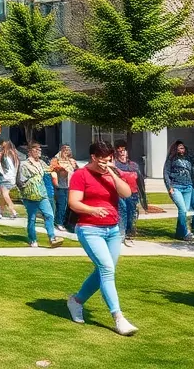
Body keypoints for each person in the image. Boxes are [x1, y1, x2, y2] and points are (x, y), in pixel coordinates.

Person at [66, 140, 137, 336]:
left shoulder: (111, 173)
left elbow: (127, 193)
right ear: (93, 157)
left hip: (112, 230)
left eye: (109, 160)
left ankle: (76, 301)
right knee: (106, 269)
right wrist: (92, 209)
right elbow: (74, 203)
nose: (105, 163)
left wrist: (112, 173)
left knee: (104, 270)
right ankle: (118, 318)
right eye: (102, 160)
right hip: (89, 229)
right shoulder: (81, 175)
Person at [18, 143, 62, 249]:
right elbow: (20, 180)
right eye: (36, 149)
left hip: (42, 193)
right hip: (30, 195)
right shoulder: (24, 164)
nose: (39, 151)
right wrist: (27, 189)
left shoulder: (41, 163)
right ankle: (32, 239)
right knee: (32, 218)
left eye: (39, 150)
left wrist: (56, 167)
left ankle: (52, 237)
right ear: (30, 151)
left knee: (49, 215)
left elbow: (49, 170)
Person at [164, 140, 194, 242]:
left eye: (183, 148)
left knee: (184, 211)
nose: (182, 150)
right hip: (176, 187)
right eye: (179, 148)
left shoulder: (188, 158)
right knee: (183, 210)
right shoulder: (171, 159)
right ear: (175, 149)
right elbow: (166, 173)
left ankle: (179, 233)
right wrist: (169, 187)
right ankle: (185, 233)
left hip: (188, 187)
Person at [112, 143, 142, 246]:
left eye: (124, 150)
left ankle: (129, 233)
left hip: (133, 193)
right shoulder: (114, 165)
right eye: (120, 151)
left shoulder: (133, 165)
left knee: (131, 214)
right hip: (120, 193)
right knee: (122, 212)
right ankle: (121, 235)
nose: (122, 153)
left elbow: (139, 181)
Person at [49, 144, 78, 231]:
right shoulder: (56, 160)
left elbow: (77, 171)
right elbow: (52, 169)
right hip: (60, 186)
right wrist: (61, 168)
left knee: (69, 205)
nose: (66, 152)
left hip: (70, 186)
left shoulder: (71, 161)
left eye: (68, 150)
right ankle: (59, 222)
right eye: (64, 150)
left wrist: (75, 166)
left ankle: (66, 222)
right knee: (61, 205)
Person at [0, 141, 19, 220]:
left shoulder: (3, 155)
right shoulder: (14, 155)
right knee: (2, 196)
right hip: (12, 178)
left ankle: (12, 210)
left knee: (5, 194)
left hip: (5, 177)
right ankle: (1, 211)